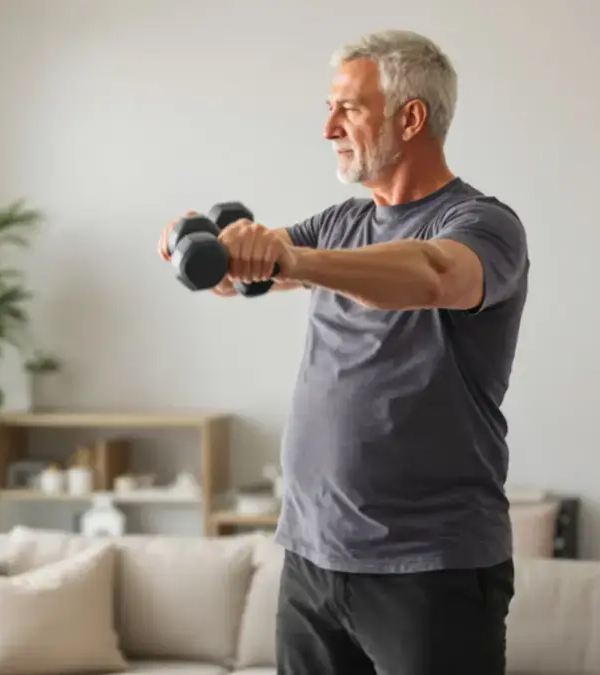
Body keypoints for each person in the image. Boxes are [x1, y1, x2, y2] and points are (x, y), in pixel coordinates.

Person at [158, 29, 529, 675]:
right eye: (329, 108)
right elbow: (245, 271)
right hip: (313, 559)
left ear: (410, 117)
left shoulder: (483, 225)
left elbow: (436, 274)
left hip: (431, 566)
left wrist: (291, 258)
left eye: (348, 108)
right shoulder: (340, 224)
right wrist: (198, 247)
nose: (328, 126)